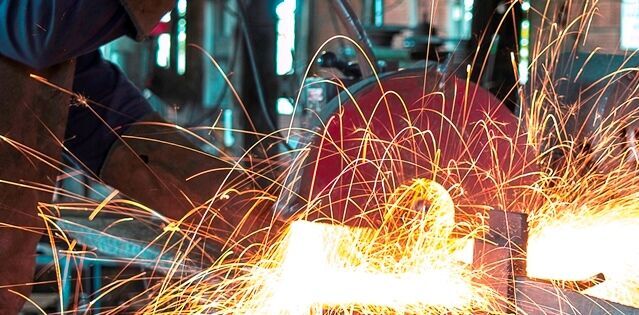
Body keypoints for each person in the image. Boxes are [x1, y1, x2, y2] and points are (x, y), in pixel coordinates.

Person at [0, 1, 272, 312]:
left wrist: (253, 212)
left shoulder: (51, 52)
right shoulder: (31, 22)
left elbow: (108, 125)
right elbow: (37, 33)